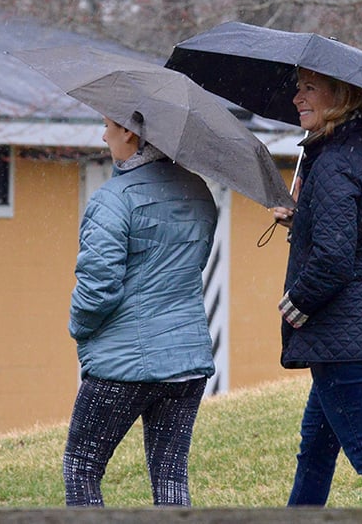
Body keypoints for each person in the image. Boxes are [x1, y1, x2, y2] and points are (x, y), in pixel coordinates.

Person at [62, 113, 218, 507]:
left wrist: (79, 328)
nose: (104, 135)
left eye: (108, 126)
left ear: (129, 132)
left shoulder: (114, 199)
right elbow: (191, 267)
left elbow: (98, 290)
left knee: (81, 467)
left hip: (123, 363)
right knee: (170, 479)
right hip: (187, 360)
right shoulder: (198, 191)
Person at [272, 68, 362, 507]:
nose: (297, 98)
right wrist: (303, 219)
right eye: (298, 88)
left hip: (341, 337)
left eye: (309, 88)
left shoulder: (332, 163)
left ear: (343, 94)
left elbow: (333, 260)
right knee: (315, 451)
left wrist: (295, 305)